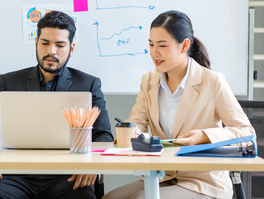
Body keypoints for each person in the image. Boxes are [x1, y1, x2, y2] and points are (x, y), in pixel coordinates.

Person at [103, 10, 255, 199]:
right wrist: (133, 131)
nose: (154, 53)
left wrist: (204, 135)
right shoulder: (149, 80)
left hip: (203, 182)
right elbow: (137, 122)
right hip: (161, 175)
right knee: (110, 198)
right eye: (151, 45)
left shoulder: (212, 81)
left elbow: (246, 132)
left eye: (162, 46)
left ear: (184, 46)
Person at [0, 10, 114, 199]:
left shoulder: (88, 84)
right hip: (15, 177)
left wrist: (92, 165)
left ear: (72, 47)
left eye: (60, 45)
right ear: (36, 43)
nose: (51, 51)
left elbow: (103, 136)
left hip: (67, 177)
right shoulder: (9, 82)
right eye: (45, 43)